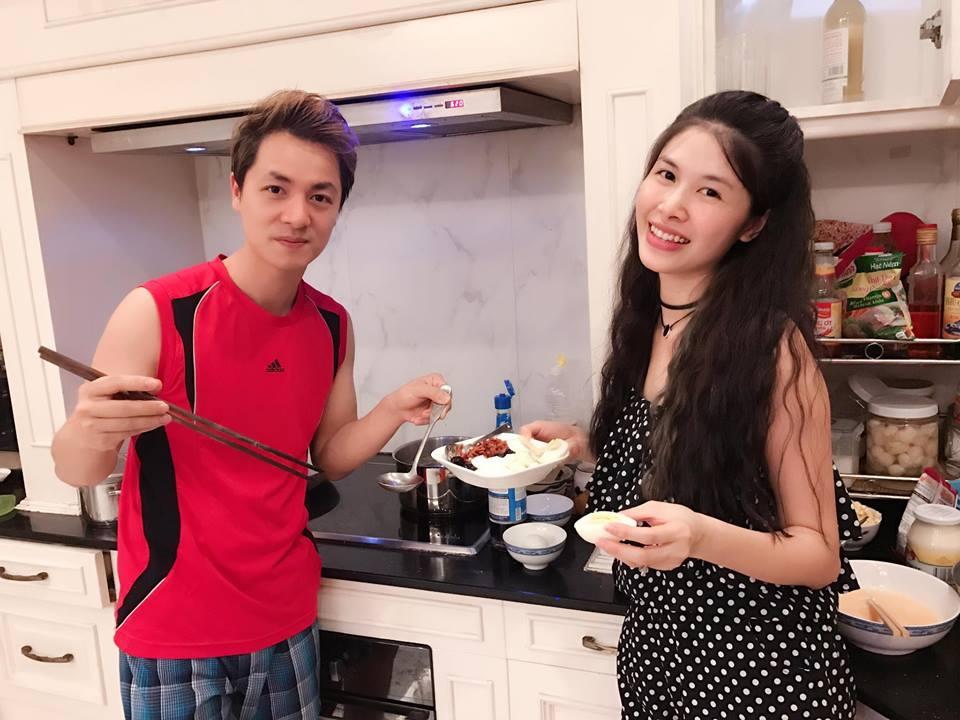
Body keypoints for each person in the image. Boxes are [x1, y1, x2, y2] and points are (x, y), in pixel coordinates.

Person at [51, 89, 450, 720]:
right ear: (237, 190)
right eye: (276, 189)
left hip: (285, 618)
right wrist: (89, 426)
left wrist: (394, 408)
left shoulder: (331, 324)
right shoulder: (158, 311)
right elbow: (78, 468)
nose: (297, 215)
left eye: (320, 197)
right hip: (174, 627)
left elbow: (329, 456)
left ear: (337, 209)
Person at [523, 91, 860, 720]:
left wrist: (700, 537)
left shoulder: (773, 350)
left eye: (710, 191)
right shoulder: (645, 320)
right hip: (656, 661)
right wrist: (584, 445)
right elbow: (681, 450)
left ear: (752, 224)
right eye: (666, 174)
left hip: (759, 679)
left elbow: (818, 556)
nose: (671, 205)